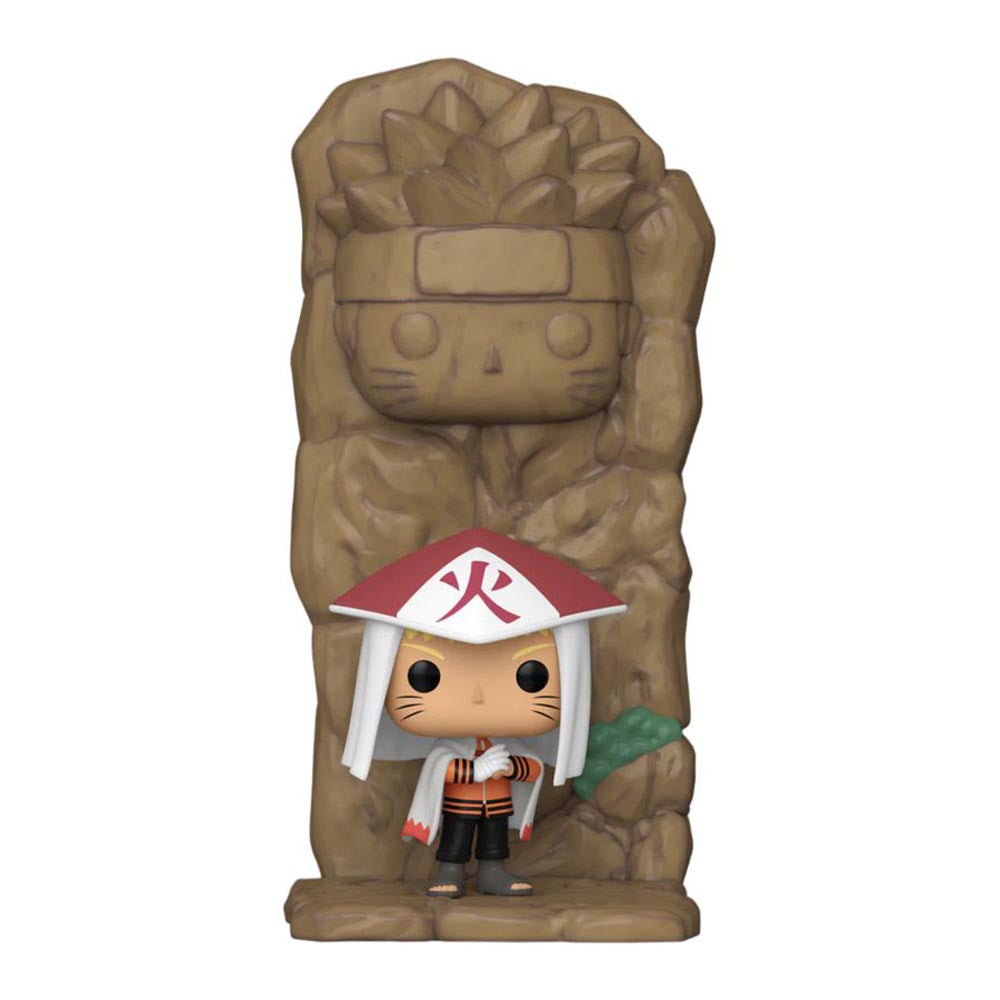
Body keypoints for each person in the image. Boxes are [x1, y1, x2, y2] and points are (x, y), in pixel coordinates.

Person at [331, 527, 626, 897]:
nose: (477, 696)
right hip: (460, 804)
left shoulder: (508, 742)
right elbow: (439, 768)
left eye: (531, 676)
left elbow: (532, 769)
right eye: (426, 676)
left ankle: (492, 871)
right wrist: (475, 771)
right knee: (456, 837)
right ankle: (450, 870)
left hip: (497, 804)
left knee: (494, 841)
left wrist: (510, 767)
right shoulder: (448, 747)